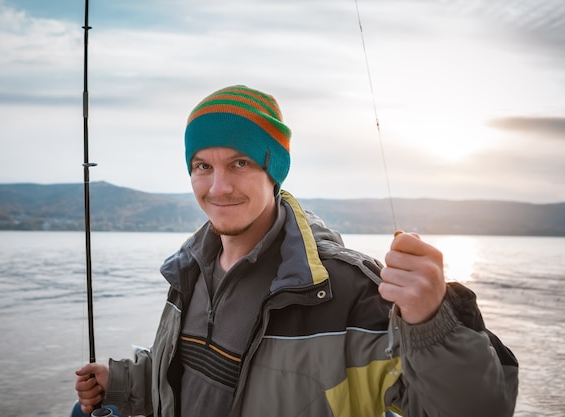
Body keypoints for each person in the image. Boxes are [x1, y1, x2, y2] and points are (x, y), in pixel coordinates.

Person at [75, 85, 518, 417]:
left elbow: (475, 409)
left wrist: (430, 323)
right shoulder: (189, 271)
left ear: (275, 170)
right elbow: (191, 377)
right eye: (202, 166)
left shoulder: (348, 292)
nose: (218, 186)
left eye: (240, 163)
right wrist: (126, 383)